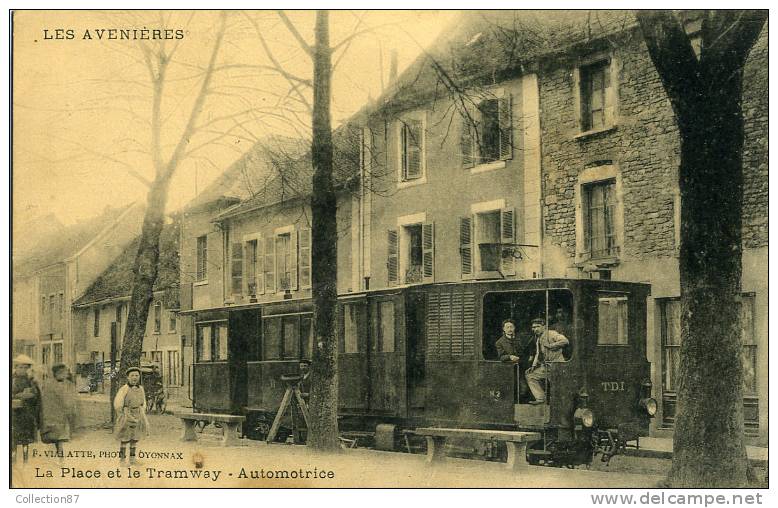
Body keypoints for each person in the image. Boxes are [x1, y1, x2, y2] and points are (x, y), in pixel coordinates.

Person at [526, 318, 569, 404]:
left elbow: (565, 341)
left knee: (559, 388)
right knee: (530, 375)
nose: (535, 329)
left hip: (558, 366)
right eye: (533, 327)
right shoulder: (538, 339)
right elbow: (538, 353)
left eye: (537, 326)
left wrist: (551, 346)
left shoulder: (551, 333)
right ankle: (541, 398)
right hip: (546, 366)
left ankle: (561, 404)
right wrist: (533, 366)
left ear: (544, 326)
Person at [39, 363, 78, 460]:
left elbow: (70, 399)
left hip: (60, 416)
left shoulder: (67, 384)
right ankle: (54, 459)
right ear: (58, 373)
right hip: (51, 415)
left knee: (59, 439)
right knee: (52, 438)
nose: (67, 374)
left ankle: (60, 459)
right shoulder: (49, 385)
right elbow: (48, 400)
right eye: (65, 372)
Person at [114, 367, 150, 465]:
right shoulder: (124, 389)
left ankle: (132, 459)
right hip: (127, 414)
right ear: (128, 377)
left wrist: (142, 412)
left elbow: (144, 402)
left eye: (137, 375)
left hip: (138, 414)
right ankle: (122, 460)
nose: (134, 377)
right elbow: (118, 403)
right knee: (124, 438)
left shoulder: (141, 389)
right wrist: (122, 414)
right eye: (132, 375)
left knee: (134, 437)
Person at [495, 319, 536, 400]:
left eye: (511, 327)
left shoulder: (520, 338)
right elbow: (501, 357)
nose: (510, 329)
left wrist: (531, 355)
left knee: (524, 388)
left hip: (523, 367)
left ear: (514, 328)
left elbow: (530, 346)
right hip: (510, 369)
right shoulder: (499, 342)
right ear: (503, 329)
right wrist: (510, 357)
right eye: (507, 327)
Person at [12, 354, 40, 464]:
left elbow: (37, 395)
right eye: (20, 367)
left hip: (27, 414)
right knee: (13, 439)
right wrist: (18, 395)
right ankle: (13, 462)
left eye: (25, 367)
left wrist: (33, 394)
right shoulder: (12, 380)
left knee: (25, 440)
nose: (23, 370)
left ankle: (25, 461)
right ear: (15, 367)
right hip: (14, 414)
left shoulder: (31, 381)